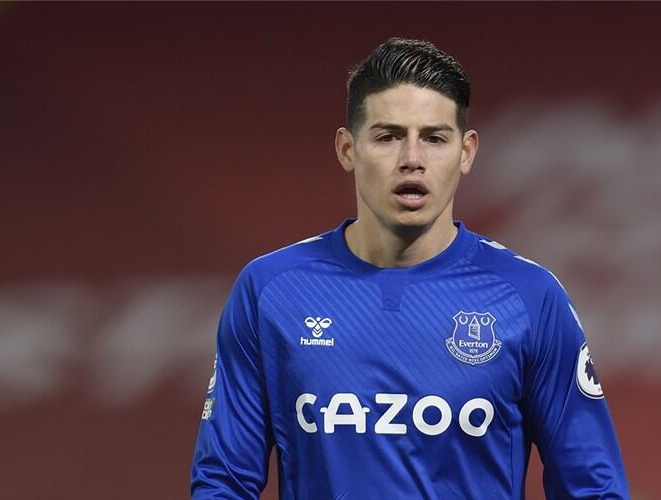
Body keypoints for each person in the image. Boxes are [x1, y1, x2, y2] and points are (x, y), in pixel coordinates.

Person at [191, 37, 629, 499]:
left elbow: (594, 488)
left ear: (466, 152)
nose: (412, 160)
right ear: (347, 148)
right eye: (388, 136)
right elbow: (223, 482)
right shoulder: (272, 290)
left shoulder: (529, 296)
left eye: (434, 138)